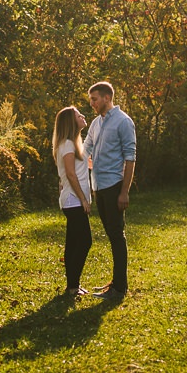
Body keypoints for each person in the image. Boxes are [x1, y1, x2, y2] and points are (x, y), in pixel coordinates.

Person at [83, 80, 136, 299]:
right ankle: (116, 282)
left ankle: (119, 288)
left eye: (94, 99)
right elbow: (85, 149)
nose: (92, 104)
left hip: (115, 186)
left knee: (117, 235)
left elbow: (130, 158)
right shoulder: (96, 123)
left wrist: (124, 192)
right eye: (91, 100)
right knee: (112, 235)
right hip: (99, 187)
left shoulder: (123, 122)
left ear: (107, 98)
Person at [51, 105, 94, 299]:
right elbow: (69, 173)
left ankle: (72, 286)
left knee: (73, 243)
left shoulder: (73, 144)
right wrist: (83, 199)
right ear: (71, 121)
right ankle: (73, 286)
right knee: (84, 241)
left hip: (72, 199)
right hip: (74, 200)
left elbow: (80, 166)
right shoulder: (67, 144)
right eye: (79, 115)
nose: (83, 116)